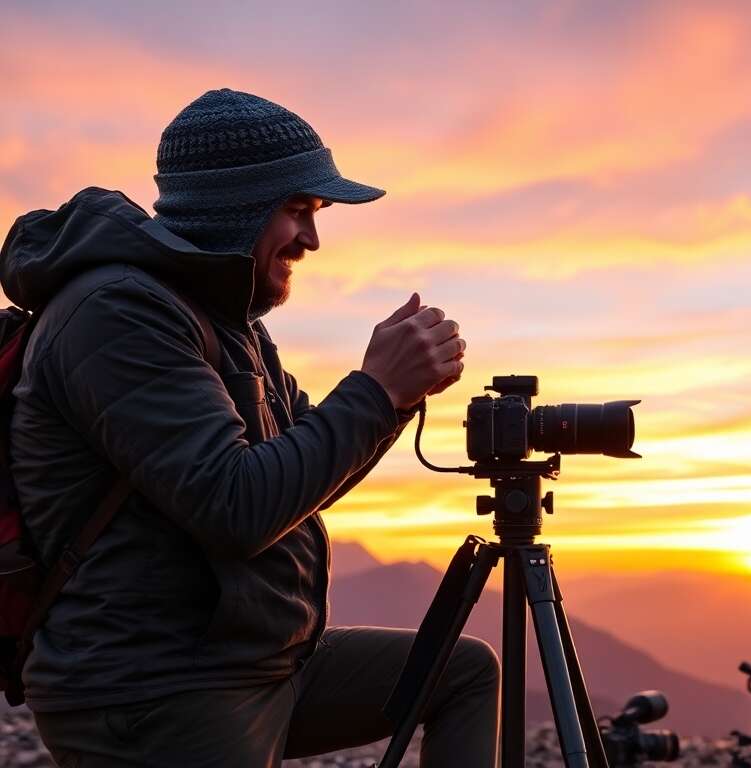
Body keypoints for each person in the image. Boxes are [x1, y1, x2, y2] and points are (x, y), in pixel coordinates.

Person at [0, 89, 499, 766]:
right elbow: (235, 506)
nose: (313, 239)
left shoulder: (227, 322)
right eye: (298, 211)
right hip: (156, 687)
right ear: (236, 206)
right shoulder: (116, 313)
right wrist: (378, 389)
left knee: (461, 671)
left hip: (254, 659)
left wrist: (395, 399)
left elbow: (300, 478)